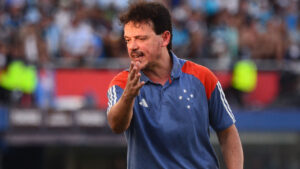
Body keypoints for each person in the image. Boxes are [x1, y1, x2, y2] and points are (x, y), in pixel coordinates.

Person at [106, 1, 244, 169]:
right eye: (128, 40)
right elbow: (116, 125)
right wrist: (128, 96)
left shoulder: (202, 77)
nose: (132, 46)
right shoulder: (122, 83)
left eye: (141, 38)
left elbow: (228, 133)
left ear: (165, 38)